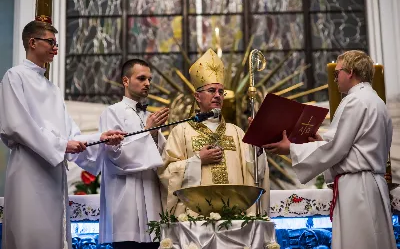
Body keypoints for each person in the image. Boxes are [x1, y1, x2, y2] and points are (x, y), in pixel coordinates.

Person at [0, 20, 125, 249]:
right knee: (29, 235)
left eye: (56, 43)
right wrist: (60, 145)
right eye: (51, 42)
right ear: (32, 42)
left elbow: (72, 136)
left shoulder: (53, 90)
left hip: (54, 175)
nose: (55, 48)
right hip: (28, 172)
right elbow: (17, 125)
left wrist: (101, 139)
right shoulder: (14, 77)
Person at [263, 50, 396, 249]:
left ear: (350, 72)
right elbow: (353, 144)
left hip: (357, 188)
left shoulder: (354, 100)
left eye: (337, 73)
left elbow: (336, 148)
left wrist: (292, 149)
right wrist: (321, 140)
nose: (335, 79)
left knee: (359, 242)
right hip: (373, 184)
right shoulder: (377, 102)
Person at [158, 49, 270, 216]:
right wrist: (197, 161)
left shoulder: (237, 133)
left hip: (234, 215)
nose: (217, 95)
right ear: (197, 96)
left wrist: (257, 144)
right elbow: (166, 174)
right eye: (211, 91)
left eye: (221, 92)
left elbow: (255, 173)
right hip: (194, 217)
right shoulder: (181, 131)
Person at [98, 59, 169, 249]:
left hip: (150, 195)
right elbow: (115, 157)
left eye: (149, 79)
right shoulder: (111, 113)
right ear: (126, 81)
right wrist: (148, 132)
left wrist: (153, 134)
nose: (147, 83)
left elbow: (161, 157)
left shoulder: (148, 116)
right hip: (125, 198)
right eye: (141, 78)